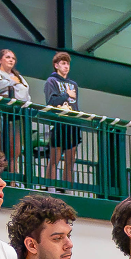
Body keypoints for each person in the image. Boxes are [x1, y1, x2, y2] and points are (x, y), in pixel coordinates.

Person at [0, 48, 30, 169]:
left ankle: (13, 179)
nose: (11, 60)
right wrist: (12, 82)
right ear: (0, 60)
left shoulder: (19, 77)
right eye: (7, 57)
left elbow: (26, 91)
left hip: (16, 114)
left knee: (14, 149)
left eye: (13, 58)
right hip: (0, 113)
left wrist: (13, 83)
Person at [44, 51, 80, 188]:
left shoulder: (73, 84)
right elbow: (51, 101)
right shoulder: (51, 81)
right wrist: (66, 95)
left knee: (71, 158)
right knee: (55, 157)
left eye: (68, 63)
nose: (66, 66)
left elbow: (75, 103)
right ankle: (51, 186)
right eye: (63, 63)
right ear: (56, 65)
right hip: (58, 122)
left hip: (72, 122)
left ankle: (67, 187)